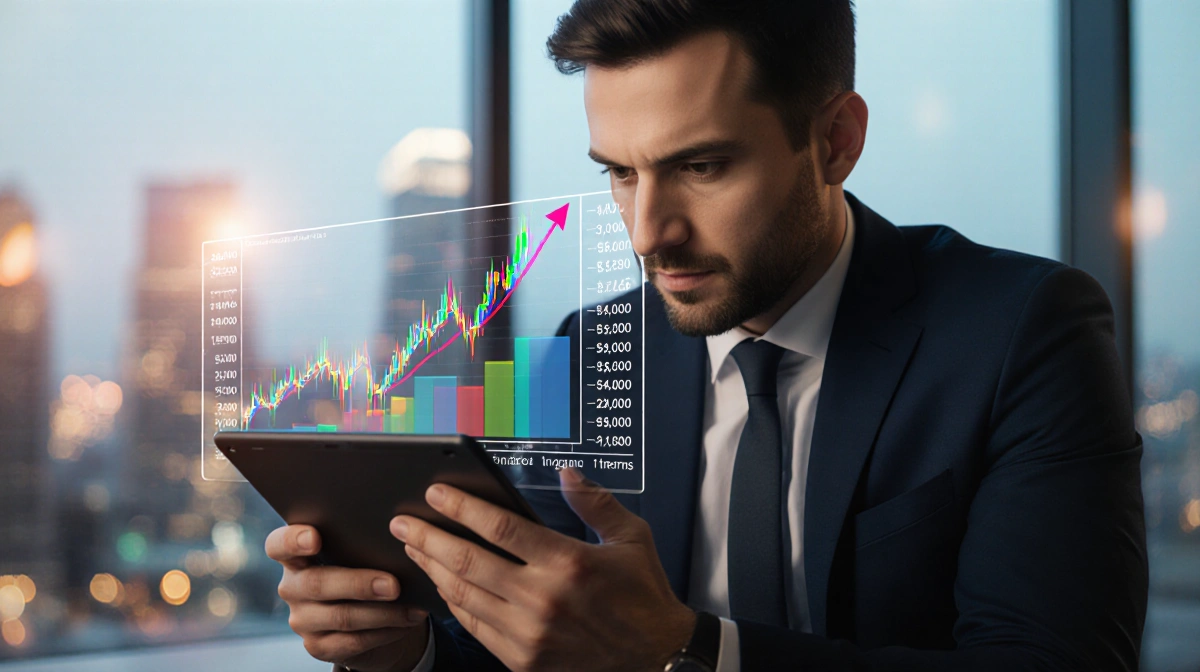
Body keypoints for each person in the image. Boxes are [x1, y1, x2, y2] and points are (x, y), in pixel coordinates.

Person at [265, 1, 1149, 670]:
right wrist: (405, 650)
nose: (648, 231)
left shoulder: (1022, 331)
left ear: (836, 142)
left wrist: (692, 650)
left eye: (700, 166)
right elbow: (539, 647)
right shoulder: (594, 350)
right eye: (619, 173)